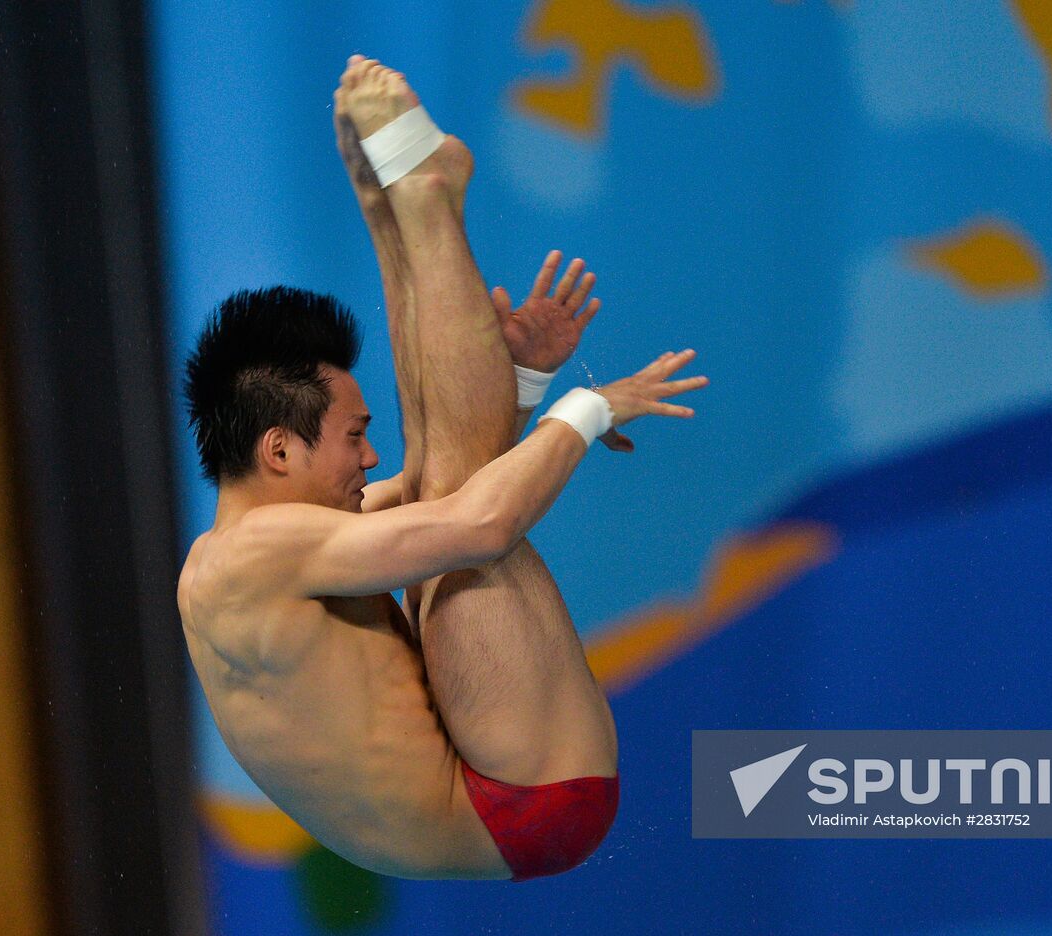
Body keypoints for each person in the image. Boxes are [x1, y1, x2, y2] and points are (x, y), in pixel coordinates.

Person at [176, 56, 707, 881]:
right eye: (353, 437)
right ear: (278, 450)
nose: (370, 456)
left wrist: (522, 388)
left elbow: (448, 485)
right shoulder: (249, 557)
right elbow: (480, 520)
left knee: (438, 480)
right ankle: (413, 200)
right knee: (452, 497)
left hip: (503, 783)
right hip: (524, 800)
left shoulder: (258, 552)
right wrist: (595, 405)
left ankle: (395, 203)